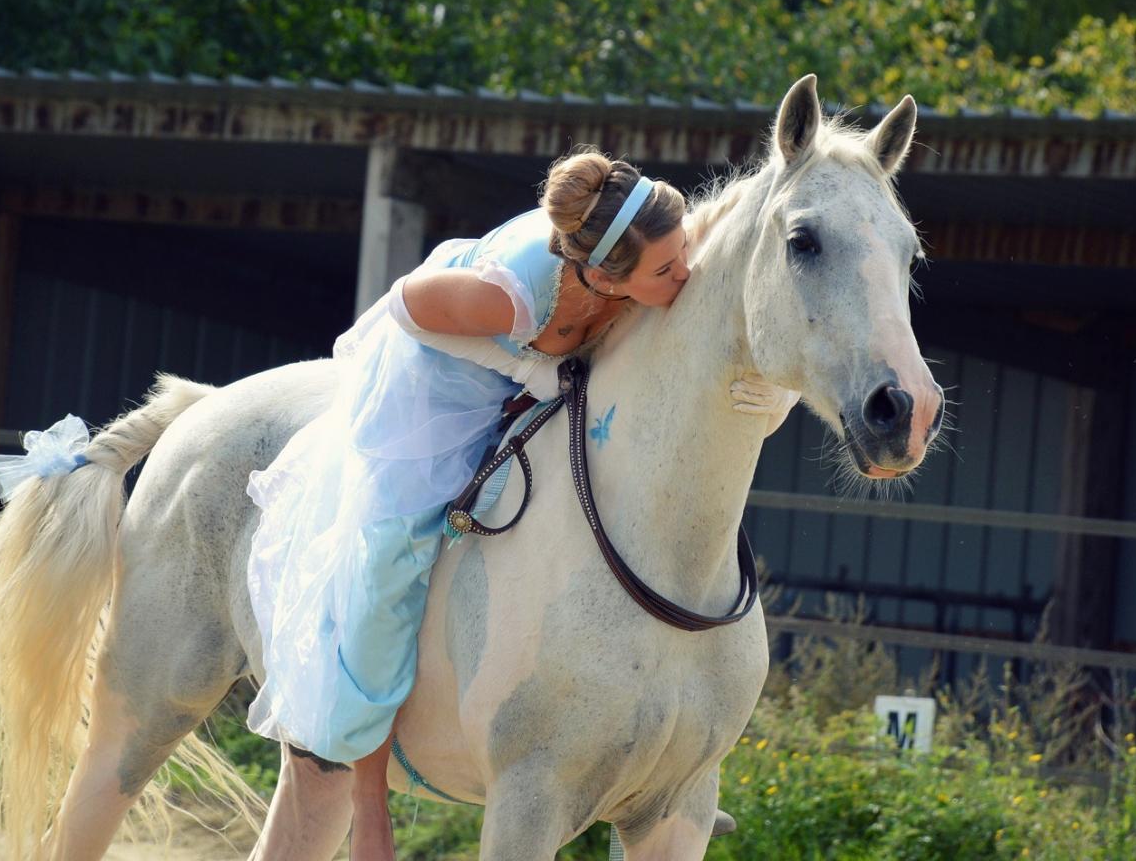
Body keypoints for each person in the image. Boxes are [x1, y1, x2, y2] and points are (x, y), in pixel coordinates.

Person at [244, 148, 775, 858]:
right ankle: (368, 803)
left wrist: (777, 392)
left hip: (540, 378)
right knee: (385, 563)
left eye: (682, 256)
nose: (684, 275)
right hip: (437, 388)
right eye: (666, 270)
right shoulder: (515, 295)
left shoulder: (657, 252)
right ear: (603, 277)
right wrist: (528, 365)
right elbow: (407, 306)